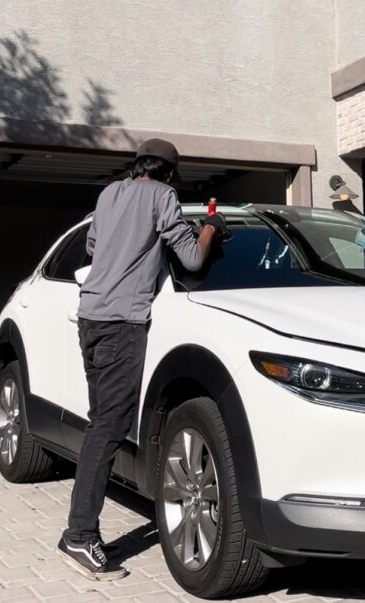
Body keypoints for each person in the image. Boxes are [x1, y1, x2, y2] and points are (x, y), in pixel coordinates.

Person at [57, 138, 227, 580]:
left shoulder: (109, 193)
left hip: (91, 318)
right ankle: (80, 535)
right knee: (108, 429)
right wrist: (210, 228)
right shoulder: (163, 196)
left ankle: (78, 531)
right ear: (170, 173)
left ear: (138, 166)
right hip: (121, 324)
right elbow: (190, 258)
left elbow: (94, 249)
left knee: (100, 424)